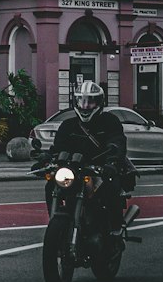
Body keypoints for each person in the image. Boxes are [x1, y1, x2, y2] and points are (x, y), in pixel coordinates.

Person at [43, 81, 131, 233]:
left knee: (112, 187)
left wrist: (112, 161)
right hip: (75, 170)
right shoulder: (68, 125)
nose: (85, 106)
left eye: (90, 101)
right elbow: (58, 147)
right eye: (81, 101)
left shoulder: (110, 122)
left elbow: (117, 142)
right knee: (51, 184)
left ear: (99, 102)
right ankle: (54, 218)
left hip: (101, 169)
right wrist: (46, 158)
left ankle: (115, 230)